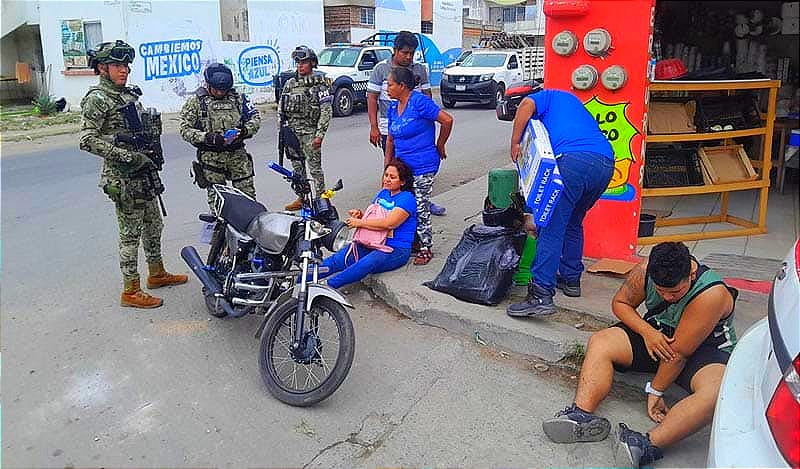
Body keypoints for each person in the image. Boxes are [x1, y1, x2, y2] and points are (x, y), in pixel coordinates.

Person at [541, 242, 738, 468]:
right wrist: (647, 332)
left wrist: (655, 390)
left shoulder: (711, 294)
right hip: (657, 336)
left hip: (705, 351)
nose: (667, 297)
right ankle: (581, 416)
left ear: (691, 274)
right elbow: (621, 303)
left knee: (716, 394)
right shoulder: (645, 270)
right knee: (601, 342)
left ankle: (644, 445)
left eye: (675, 292)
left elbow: (678, 354)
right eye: (660, 290)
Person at [79, 40, 187, 309]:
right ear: (102, 68)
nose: (124, 70)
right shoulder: (97, 99)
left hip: (143, 173)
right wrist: (127, 156)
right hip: (123, 178)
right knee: (130, 234)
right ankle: (130, 290)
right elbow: (87, 140)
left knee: (154, 225)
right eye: (117, 66)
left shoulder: (126, 95)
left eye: (126, 65)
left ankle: (157, 273)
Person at [506, 88, 615, 317]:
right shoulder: (570, 105)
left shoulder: (546, 96)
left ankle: (540, 294)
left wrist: (515, 143)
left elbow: (526, 104)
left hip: (573, 162)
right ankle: (570, 279)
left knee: (550, 226)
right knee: (573, 222)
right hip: (604, 164)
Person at [366, 31, 444, 216]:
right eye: (405, 53)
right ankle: (400, 205)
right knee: (397, 168)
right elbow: (372, 98)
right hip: (389, 126)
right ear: (395, 50)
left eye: (411, 53)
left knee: (418, 170)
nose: (408, 57)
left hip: (416, 127)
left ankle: (421, 202)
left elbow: (427, 96)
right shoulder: (381, 69)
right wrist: (374, 126)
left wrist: (432, 133)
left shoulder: (419, 70)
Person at [384, 67, 453, 266]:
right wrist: (388, 166)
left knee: (421, 205)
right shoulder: (392, 107)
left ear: (402, 86)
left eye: (390, 85)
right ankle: (410, 242)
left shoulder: (419, 102)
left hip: (424, 164)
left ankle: (425, 247)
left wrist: (440, 145)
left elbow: (447, 120)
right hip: (402, 165)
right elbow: (390, 139)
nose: (387, 88)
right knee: (404, 204)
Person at [315, 159, 417, 288]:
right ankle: (299, 281)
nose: (387, 179)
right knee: (338, 260)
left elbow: (389, 223)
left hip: (395, 248)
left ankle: (326, 287)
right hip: (372, 242)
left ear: (402, 181)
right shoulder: (383, 193)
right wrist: (360, 215)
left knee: (364, 264)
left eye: (392, 177)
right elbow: (375, 217)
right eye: (386, 175)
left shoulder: (407, 199)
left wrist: (360, 222)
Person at [179, 62, 261, 210]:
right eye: (216, 90)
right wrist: (207, 137)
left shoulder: (238, 99)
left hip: (237, 156)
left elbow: (255, 118)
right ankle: (221, 231)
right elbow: (184, 129)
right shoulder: (197, 102)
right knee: (218, 204)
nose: (220, 93)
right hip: (211, 159)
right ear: (208, 84)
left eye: (223, 90)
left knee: (248, 200)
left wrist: (244, 131)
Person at [279, 45, 333, 210]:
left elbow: (326, 111)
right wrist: (282, 130)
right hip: (293, 133)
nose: (300, 66)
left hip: (310, 133)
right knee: (297, 168)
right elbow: (282, 107)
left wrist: (319, 136)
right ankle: (302, 199)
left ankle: (321, 201)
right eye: (298, 63)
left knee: (315, 169)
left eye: (304, 62)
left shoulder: (319, 84)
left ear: (312, 63)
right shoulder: (290, 83)